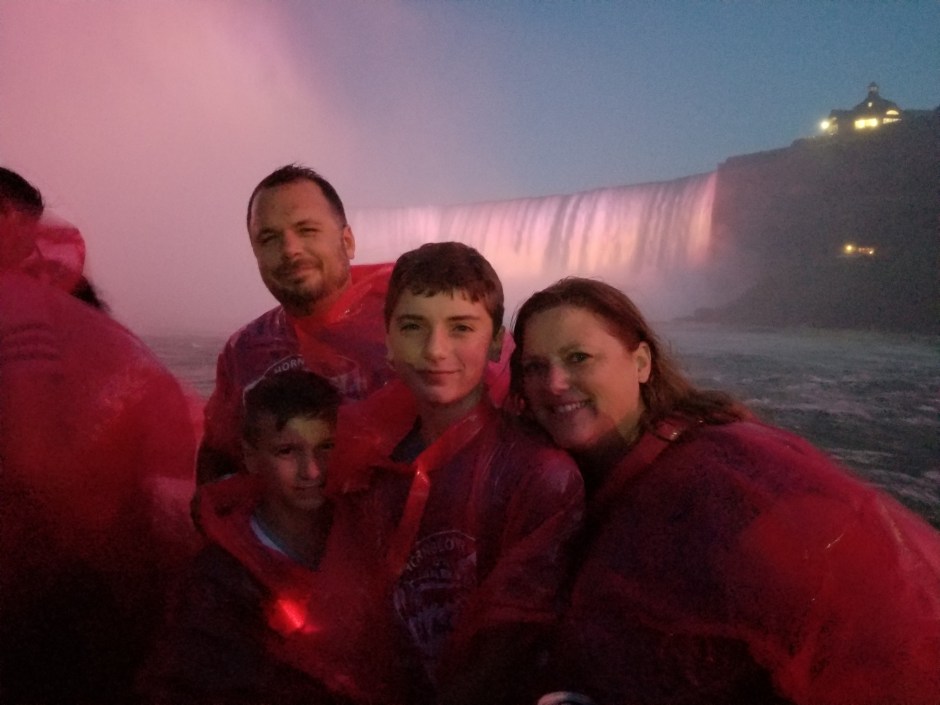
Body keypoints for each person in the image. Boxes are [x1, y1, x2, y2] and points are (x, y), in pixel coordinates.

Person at [510, 276, 940, 705]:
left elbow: (879, 626)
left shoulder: (729, 476)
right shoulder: (582, 477)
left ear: (641, 363)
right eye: (535, 367)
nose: (555, 383)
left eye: (579, 358)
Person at [315, 242, 585, 705]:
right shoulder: (369, 462)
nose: (435, 350)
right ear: (388, 339)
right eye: (412, 326)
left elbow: (514, 643)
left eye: (461, 327)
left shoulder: (539, 475)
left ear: (498, 342)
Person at [0, 167, 200, 703]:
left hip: (45, 587)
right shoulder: (74, 311)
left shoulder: (22, 306)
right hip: (103, 584)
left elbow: (35, 461)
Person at [143, 369, 408, 704]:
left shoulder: (374, 534)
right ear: (251, 457)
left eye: (326, 447)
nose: (311, 470)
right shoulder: (219, 580)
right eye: (287, 451)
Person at [197, 164, 395, 484]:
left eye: (307, 230)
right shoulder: (245, 352)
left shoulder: (413, 322)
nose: (290, 250)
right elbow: (220, 462)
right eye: (269, 238)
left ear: (347, 242)